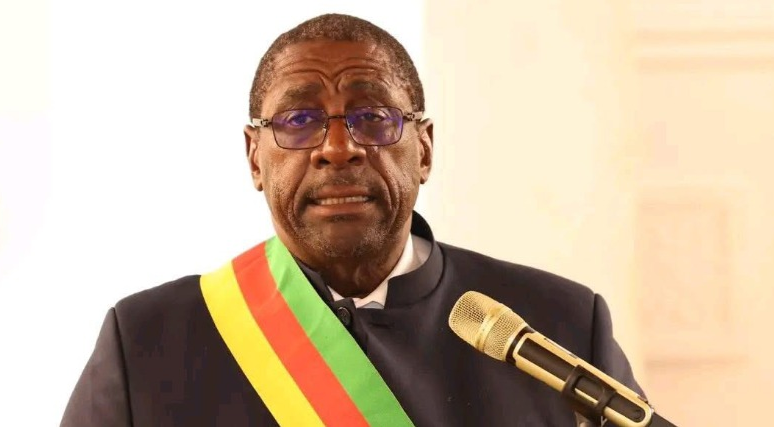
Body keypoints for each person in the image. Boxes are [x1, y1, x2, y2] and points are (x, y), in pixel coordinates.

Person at [61, 13, 644, 427]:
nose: (338, 148)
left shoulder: (559, 327)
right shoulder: (146, 341)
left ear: (424, 150)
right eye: (297, 121)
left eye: (373, 116)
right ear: (254, 158)